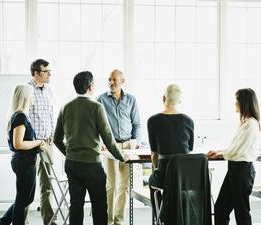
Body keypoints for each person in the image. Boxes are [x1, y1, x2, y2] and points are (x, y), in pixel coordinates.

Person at [53, 71, 127, 225]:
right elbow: (108, 138)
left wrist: (69, 153)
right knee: (99, 206)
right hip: (91, 165)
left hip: (72, 164)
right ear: (91, 87)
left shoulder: (65, 107)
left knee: (76, 206)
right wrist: (121, 156)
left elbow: (56, 139)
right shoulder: (96, 107)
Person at [0, 84, 45, 225]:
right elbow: (18, 144)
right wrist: (38, 142)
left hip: (23, 161)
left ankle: (3, 222)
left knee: (24, 198)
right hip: (24, 161)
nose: (33, 97)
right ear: (26, 96)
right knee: (23, 199)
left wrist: (36, 143)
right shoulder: (20, 116)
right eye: (32, 94)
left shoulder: (18, 114)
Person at [207, 88, 260, 225]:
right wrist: (219, 152)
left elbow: (237, 150)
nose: (235, 104)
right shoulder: (244, 123)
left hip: (243, 171)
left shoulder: (252, 125)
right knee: (220, 209)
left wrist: (221, 153)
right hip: (234, 170)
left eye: (236, 100)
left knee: (241, 212)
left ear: (244, 102)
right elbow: (234, 148)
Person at [97, 69, 141, 225]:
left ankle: (119, 220)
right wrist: (100, 141)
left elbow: (136, 124)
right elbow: (96, 125)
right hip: (110, 145)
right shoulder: (100, 100)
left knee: (123, 185)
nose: (111, 82)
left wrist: (136, 140)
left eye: (115, 79)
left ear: (123, 81)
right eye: (109, 79)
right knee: (111, 184)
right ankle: (107, 220)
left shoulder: (131, 100)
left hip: (128, 145)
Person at [147, 84, 194, 219]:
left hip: (164, 177)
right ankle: (181, 216)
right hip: (184, 179)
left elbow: (154, 154)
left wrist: (157, 169)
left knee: (152, 181)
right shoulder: (188, 121)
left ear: (163, 98)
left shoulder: (153, 121)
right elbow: (189, 150)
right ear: (179, 101)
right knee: (175, 186)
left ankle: (160, 219)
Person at [27, 59, 56, 225]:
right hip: (31, 145)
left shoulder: (49, 91)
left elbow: (51, 115)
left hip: (47, 144)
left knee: (47, 184)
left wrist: (51, 133)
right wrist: (34, 140)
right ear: (36, 73)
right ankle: (22, 221)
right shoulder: (27, 90)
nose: (49, 74)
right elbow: (24, 118)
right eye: (46, 71)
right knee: (28, 186)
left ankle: (49, 220)